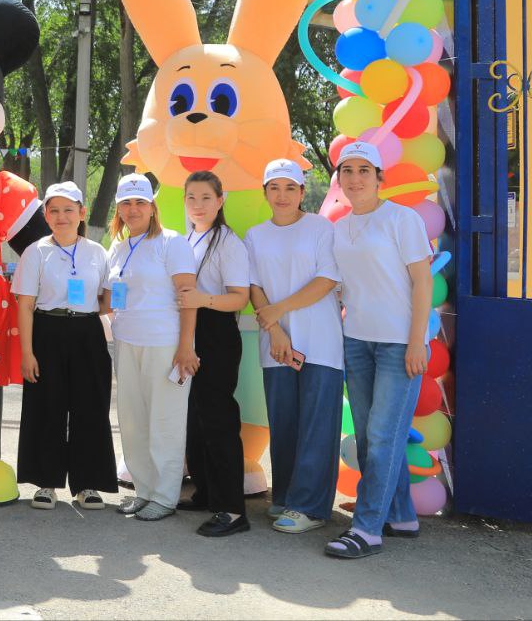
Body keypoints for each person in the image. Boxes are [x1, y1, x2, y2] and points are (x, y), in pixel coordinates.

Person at [326, 141, 433, 559]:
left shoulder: (402, 219)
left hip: (398, 344)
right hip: (357, 341)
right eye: (347, 171)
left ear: (379, 177)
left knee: (385, 435)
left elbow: (422, 281)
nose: (355, 178)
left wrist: (416, 341)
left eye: (363, 170)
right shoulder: (339, 228)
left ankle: (367, 529)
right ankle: (402, 515)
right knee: (372, 438)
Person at [244, 159, 343, 535]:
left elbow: (327, 279)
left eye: (290, 188)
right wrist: (275, 330)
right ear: (265, 193)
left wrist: (278, 310)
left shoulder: (320, 227)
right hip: (276, 343)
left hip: (319, 341)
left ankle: (311, 507)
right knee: (283, 422)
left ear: (302, 192)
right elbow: (254, 286)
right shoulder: (255, 235)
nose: (282, 195)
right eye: (274, 188)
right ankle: (286, 496)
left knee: (317, 424)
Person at [12, 182, 117, 511]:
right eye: (54, 210)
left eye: (69, 209)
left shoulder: (97, 252)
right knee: (47, 406)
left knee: (90, 407)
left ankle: (88, 484)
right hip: (47, 330)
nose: (61, 216)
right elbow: (25, 306)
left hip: (87, 332)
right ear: (45, 215)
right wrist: (27, 353)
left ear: (82, 213)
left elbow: (106, 300)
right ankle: (46, 483)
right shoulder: (35, 252)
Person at [104, 173, 198, 521]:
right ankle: (144, 490)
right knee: (133, 421)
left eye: (140, 202)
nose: (133, 209)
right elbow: (108, 299)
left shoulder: (171, 242)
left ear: (152, 206)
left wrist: (186, 347)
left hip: (165, 343)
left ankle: (165, 496)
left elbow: (188, 296)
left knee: (165, 420)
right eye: (126, 203)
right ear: (118, 208)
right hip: (126, 342)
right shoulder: (118, 247)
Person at [175, 171, 251, 537]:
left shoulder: (228, 243)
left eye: (206, 197)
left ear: (220, 201)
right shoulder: (188, 238)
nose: (198, 205)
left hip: (217, 332)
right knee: (195, 420)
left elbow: (240, 298)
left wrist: (201, 299)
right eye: (192, 197)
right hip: (190, 330)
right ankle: (206, 492)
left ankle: (232, 510)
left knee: (218, 421)